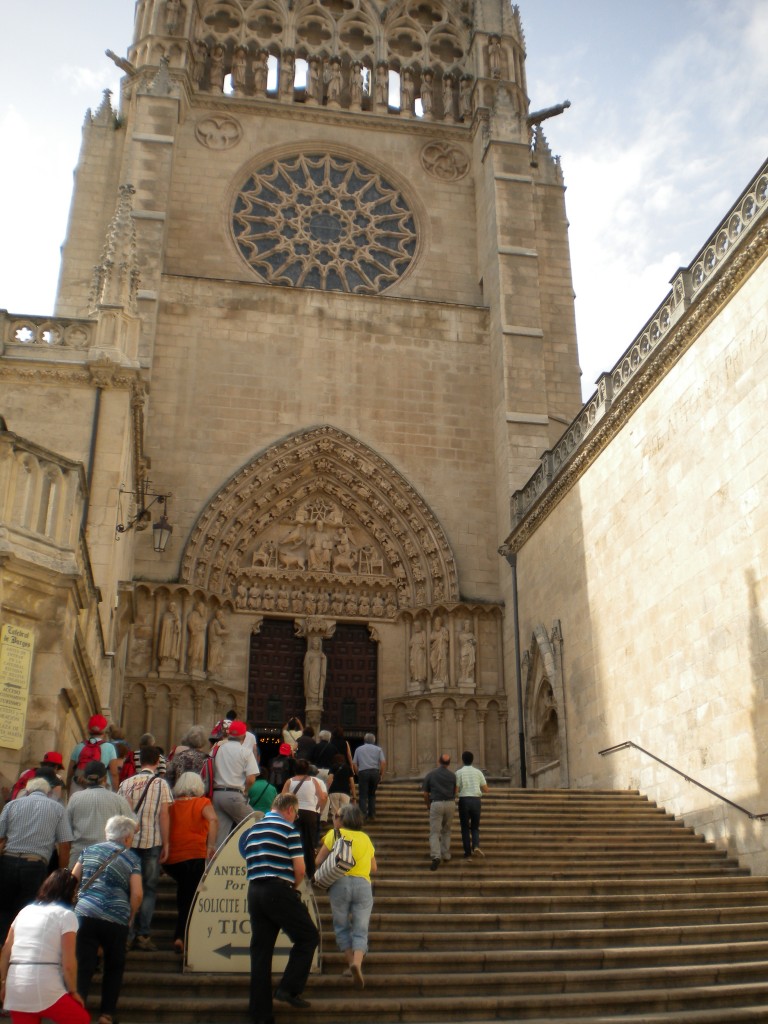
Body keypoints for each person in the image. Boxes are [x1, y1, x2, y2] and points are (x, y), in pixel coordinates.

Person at [243, 793, 319, 1020]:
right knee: (308, 937)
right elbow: (300, 869)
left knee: (261, 954)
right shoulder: (288, 830)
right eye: (295, 814)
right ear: (289, 810)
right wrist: (293, 887)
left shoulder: (254, 830)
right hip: (278, 888)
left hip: (255, 891)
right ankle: (289, 988)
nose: (295, 818)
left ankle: (260, 1014)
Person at [71, 815, 142, 1024]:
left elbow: (73, 880)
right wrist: (130, 917)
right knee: (114, 965)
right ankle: (106, 1014)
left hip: (85, 914)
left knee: (83, 963)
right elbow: (137, 894)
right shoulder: (131, 858)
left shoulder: (88, 851)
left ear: (107, 833)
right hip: (116, 917)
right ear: (127, 838)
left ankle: (78, 1010)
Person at [0, 868, 89, 1024]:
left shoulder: (24, 912)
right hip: (44, 982)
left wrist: (3, 982)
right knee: (80, 1019)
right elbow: (69, 962)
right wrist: (73, 991)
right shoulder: (66, 915)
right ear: (68, 892)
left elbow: (6, 951)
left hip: (16, 983)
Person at [0, 777, 74, 946]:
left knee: (3, 909)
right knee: (27, 910)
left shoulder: (11, 805)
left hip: (7, 862)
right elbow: (64, 845)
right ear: (48, 793)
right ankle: (16, 949)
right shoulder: (57, 808)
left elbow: (0, 837)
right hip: (35, 865)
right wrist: (62, 873)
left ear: (27, 791)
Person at [117, 746, 172, 951]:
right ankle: (143, 934)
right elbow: (164, 815)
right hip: (152, 841)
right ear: (158, 761)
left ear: (140, 762)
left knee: (128, 887)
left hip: (128, 843)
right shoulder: (161, 784)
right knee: (149, 889)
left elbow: (121, 814)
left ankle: (127, 933)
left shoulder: (126, 784)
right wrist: (166, 843)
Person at [316, 804, 376, 989]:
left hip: (339, 883)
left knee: (341, 926)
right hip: (363, 885)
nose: (334, 818)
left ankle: (350, 962)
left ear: (342, 819)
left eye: (336, 816)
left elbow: (318, 861)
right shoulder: (366, 838)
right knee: (361, 927)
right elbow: (374, 868)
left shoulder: (334, 835)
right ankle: (357, 963)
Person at [164, 772, 218, 954]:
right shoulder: (202, 803)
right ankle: (182, 936)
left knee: (184, 892)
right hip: (194, 854)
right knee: (189, 897)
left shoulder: (172, 805)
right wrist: (211, 846)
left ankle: (181, 934)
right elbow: (213, 819)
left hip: (173, 857)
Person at [66, 760, 136, 867]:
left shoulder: (74, 798)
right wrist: (130, 809)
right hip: (108, 859)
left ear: (85, 777)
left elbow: (67, 833)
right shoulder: (118, 800)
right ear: (104, 778)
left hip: (79, 859)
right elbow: (134, 827)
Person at [211, 719, 258, 837]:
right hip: (234, 795)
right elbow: (251, 779)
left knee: (220, 835)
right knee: (256, 824)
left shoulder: (217, 749)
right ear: (244, 735)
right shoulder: (245, 752)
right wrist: (246, 790)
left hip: (217, 795)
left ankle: (215, 855)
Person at [282, 760, 327, 879]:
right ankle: (310, 872)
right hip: (310, 813)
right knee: (309, 844)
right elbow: (322, 797)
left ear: (294, 769)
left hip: (293, 813)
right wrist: (318, 809)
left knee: (292, 841)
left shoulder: (289, 781)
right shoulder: (313, 781)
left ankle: (292, 868)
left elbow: (282, 797)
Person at [66, 715, 120, 793]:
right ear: (104, 730)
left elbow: (70, 774)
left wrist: (68, 790)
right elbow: (114, 773)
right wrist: (116, 791)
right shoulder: (110, 747)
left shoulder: (79, 747)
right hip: (101, 789)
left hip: (78, 788)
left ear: (88, 729)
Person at [422, 753, 457, 870]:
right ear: (449, 763)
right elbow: (456, 790)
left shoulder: (431, 774)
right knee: (446, 830)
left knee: (434, 832)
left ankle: (436, 856)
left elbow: (425, 793)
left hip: (436, 803)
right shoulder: (453, 776)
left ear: (439, 761)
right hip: (450, 803)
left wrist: (428, 805)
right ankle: (446, 854)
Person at [455, 750, 489, 858]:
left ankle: (467, 853)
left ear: (463, 760)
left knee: (465, 827)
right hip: (476, 800)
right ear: (472, 760)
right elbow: (486, 789)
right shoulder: (478, 772)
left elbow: (456, 789)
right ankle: (476, 846)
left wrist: (458, 793)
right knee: (475, 827)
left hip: (464, 800)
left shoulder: (459, 772)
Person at [352, 733, 386, 822]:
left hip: (363, 772)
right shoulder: (378, 749)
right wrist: (381, 774)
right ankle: (372, 814)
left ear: (364, 740)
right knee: (372, 794)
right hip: (375, 772)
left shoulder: (359, 749)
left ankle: (363, 815)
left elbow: (354, 763)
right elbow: (383, 762)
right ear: (374, 740)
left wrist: (357, 773)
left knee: (363, 795)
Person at [327, 753, 356, 818]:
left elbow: (330, 779)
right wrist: (354, 796)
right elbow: (352, 783)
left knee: (334, 812)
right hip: (345, 791)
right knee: (344, 812)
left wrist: (327, 791)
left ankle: (336, 827)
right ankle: (343, 826)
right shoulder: (348, 768)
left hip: (334, 791)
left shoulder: (333, 767)